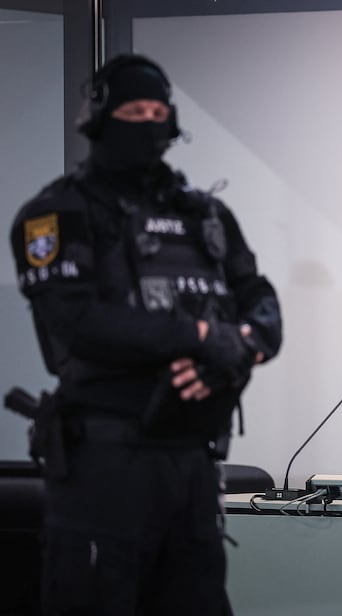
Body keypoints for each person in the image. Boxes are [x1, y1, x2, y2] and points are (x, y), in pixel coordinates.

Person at [8, 54, 282, 615]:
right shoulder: (55, 213)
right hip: (103, 462)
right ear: (99, 118)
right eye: (133, 111)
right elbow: (77, 325)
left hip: (192, 461)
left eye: (158, 113)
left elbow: (261, 305)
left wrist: (229, 357)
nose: (148, 123)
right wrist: (201, 334)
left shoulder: (206, 216)